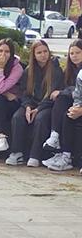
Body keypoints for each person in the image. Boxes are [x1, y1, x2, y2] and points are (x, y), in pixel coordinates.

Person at [5, 39, 63, 166]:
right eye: (39, 53)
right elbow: (24, 92)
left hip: (47, 105)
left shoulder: (55, 69)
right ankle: (17, 152)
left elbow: (53, 94)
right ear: (34, 55)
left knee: (40, 119)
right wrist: (27, 107)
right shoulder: (28, 70)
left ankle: (35, 155)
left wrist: (38, 109)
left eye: (45, 51)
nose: (43, 55)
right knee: (17, 117)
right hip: (30, 103)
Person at [43, 39, 82, 170]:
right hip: (73, 103)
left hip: (79, 104)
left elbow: (75, 90)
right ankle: (56, 139)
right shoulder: (69, 71)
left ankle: (65, 155)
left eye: (78, 52)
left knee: (65, 106)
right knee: (62, 102)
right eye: (71, 53)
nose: (74, 56)